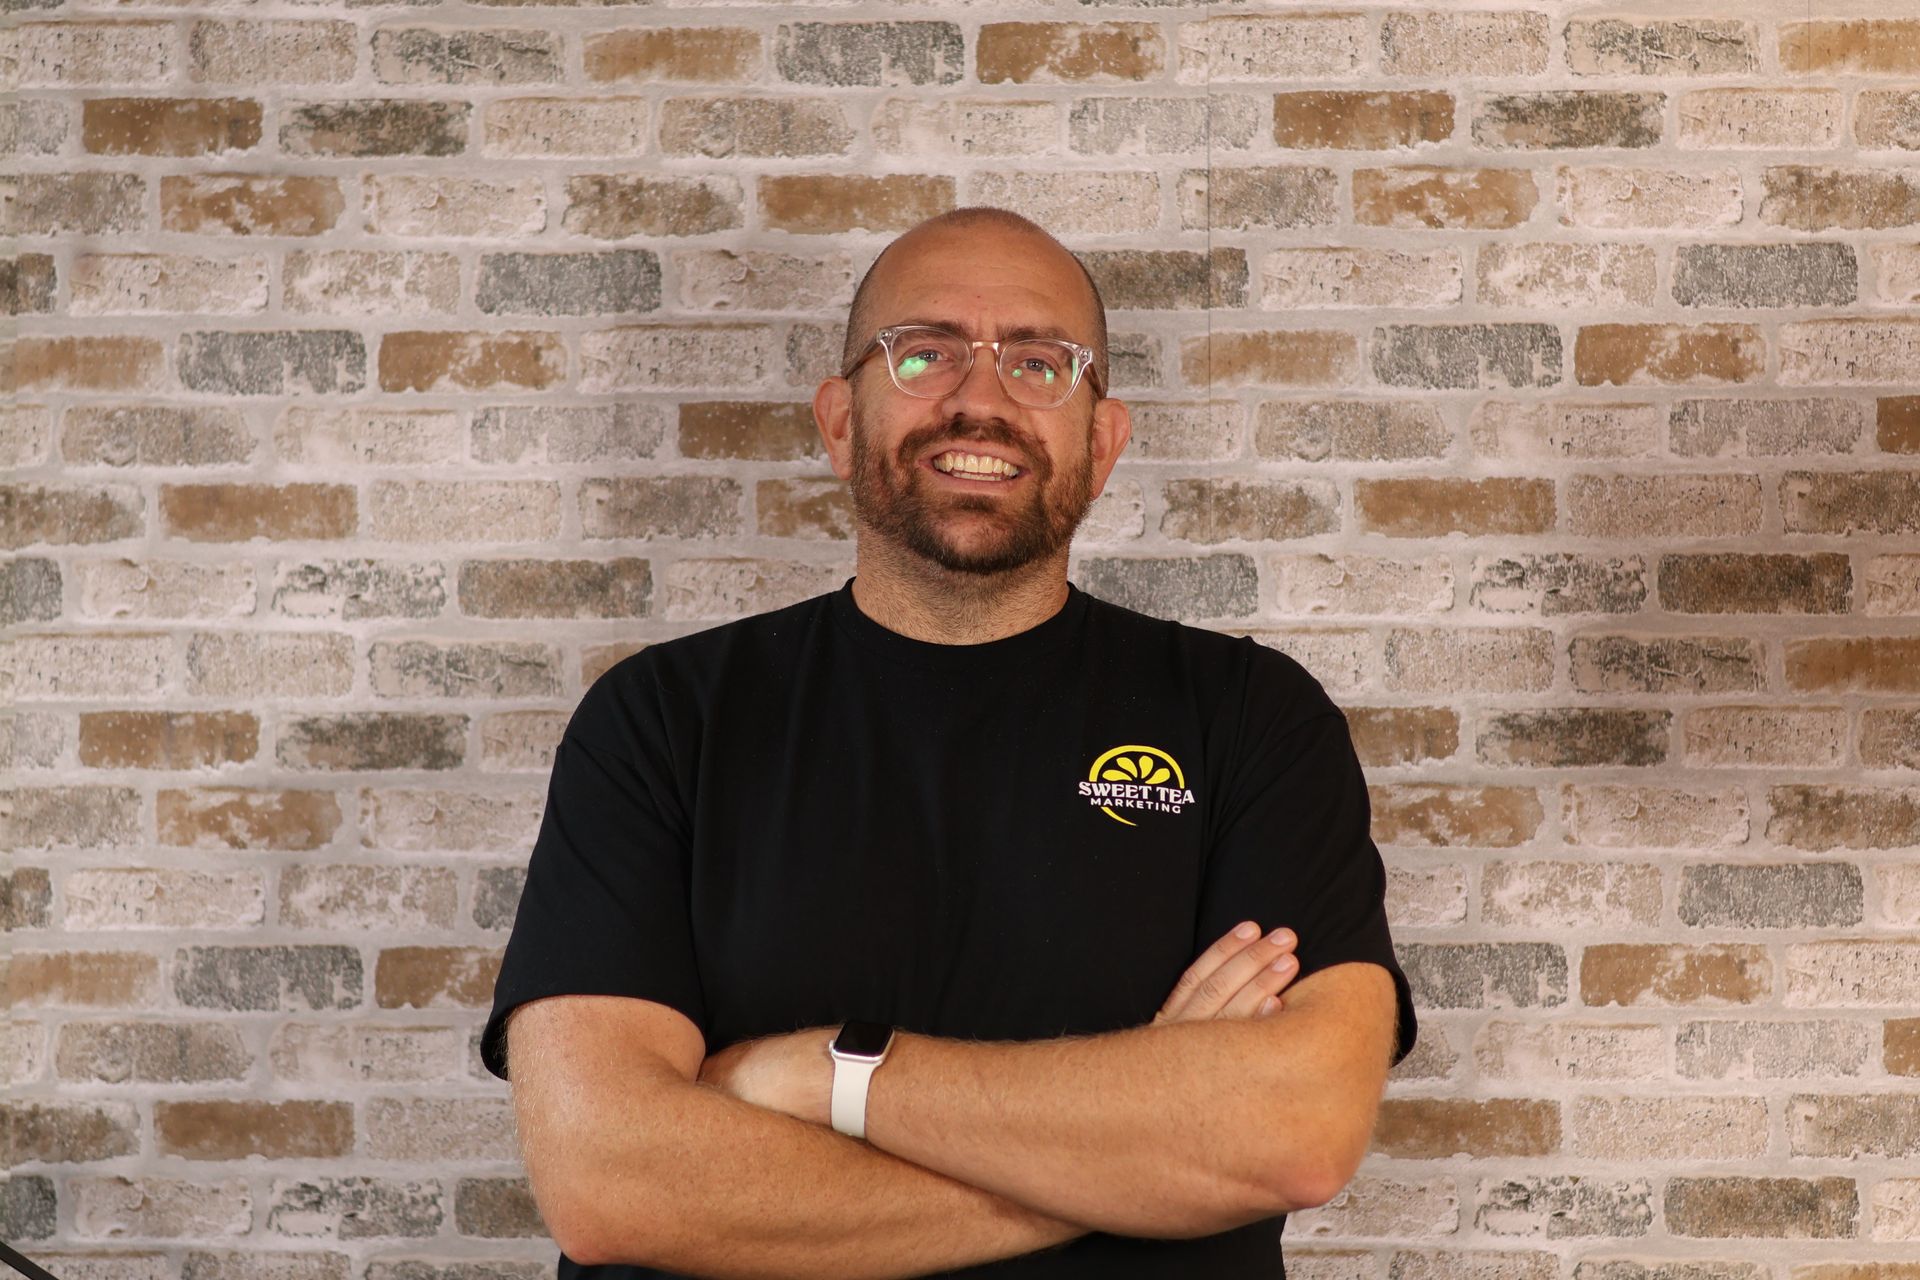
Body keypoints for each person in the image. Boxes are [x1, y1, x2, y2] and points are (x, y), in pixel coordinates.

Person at [480, 206, 1416, 1278]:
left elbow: (1293, 1128)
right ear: (838, 421)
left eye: (1040, 361)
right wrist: (1138, 1155)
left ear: (1103, 444)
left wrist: (829, 1078)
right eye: (922, 353)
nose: (980, 398)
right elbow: (611, 1181)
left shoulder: (1251, 715)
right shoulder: (660, 722)